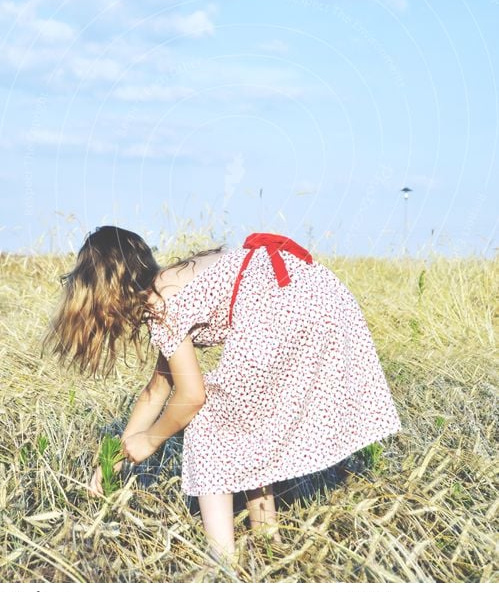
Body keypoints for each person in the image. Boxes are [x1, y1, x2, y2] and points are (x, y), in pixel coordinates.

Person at [43, 225, 402, 565]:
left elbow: (192, 396)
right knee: (246, 421)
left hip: (286, 306)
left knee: (210, 420)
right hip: (317, 293)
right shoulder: (175, 281)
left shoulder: (160, 306)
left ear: (104, 293)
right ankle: (267, 538)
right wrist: (116, 457)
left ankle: (221, 559)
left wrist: (151, 440)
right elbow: (158, 388)